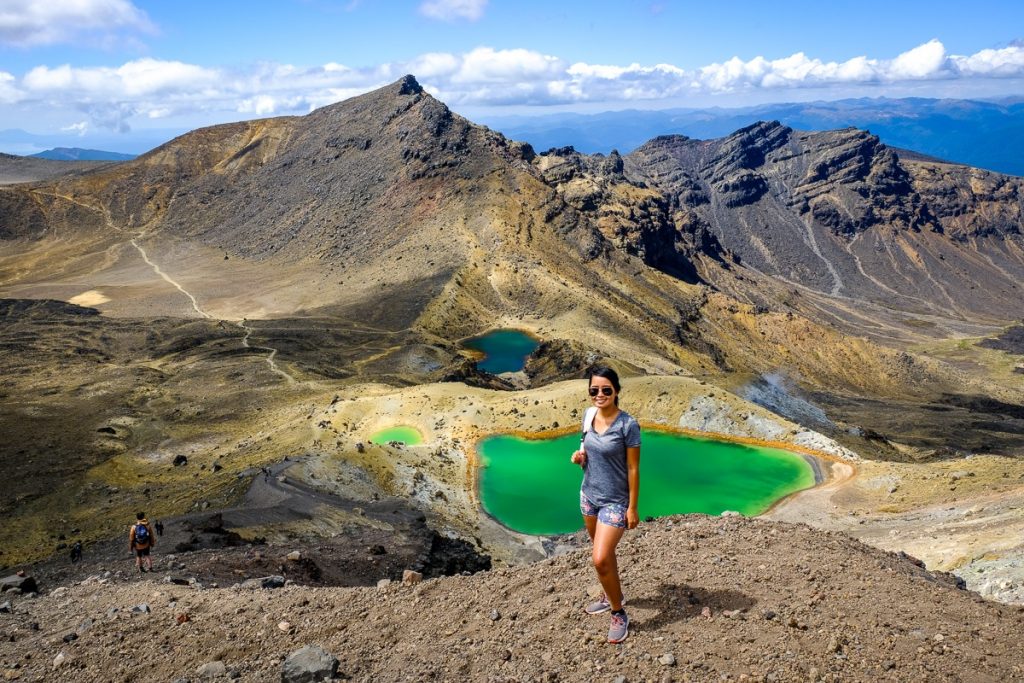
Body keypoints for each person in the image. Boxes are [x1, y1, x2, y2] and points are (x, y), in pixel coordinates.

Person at [570, 366, 641, 644]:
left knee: (599, 558)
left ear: (617, 392)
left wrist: (632, 508)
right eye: (594, 390)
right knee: (604, 557)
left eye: (606, 390)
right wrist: (579, 458)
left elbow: (633, 469)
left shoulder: (628, 425)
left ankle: (618, 612)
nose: (600, 395)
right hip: (589, 495)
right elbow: (586, 450)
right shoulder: (588, 416)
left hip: (615, 501)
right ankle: (612, 594)